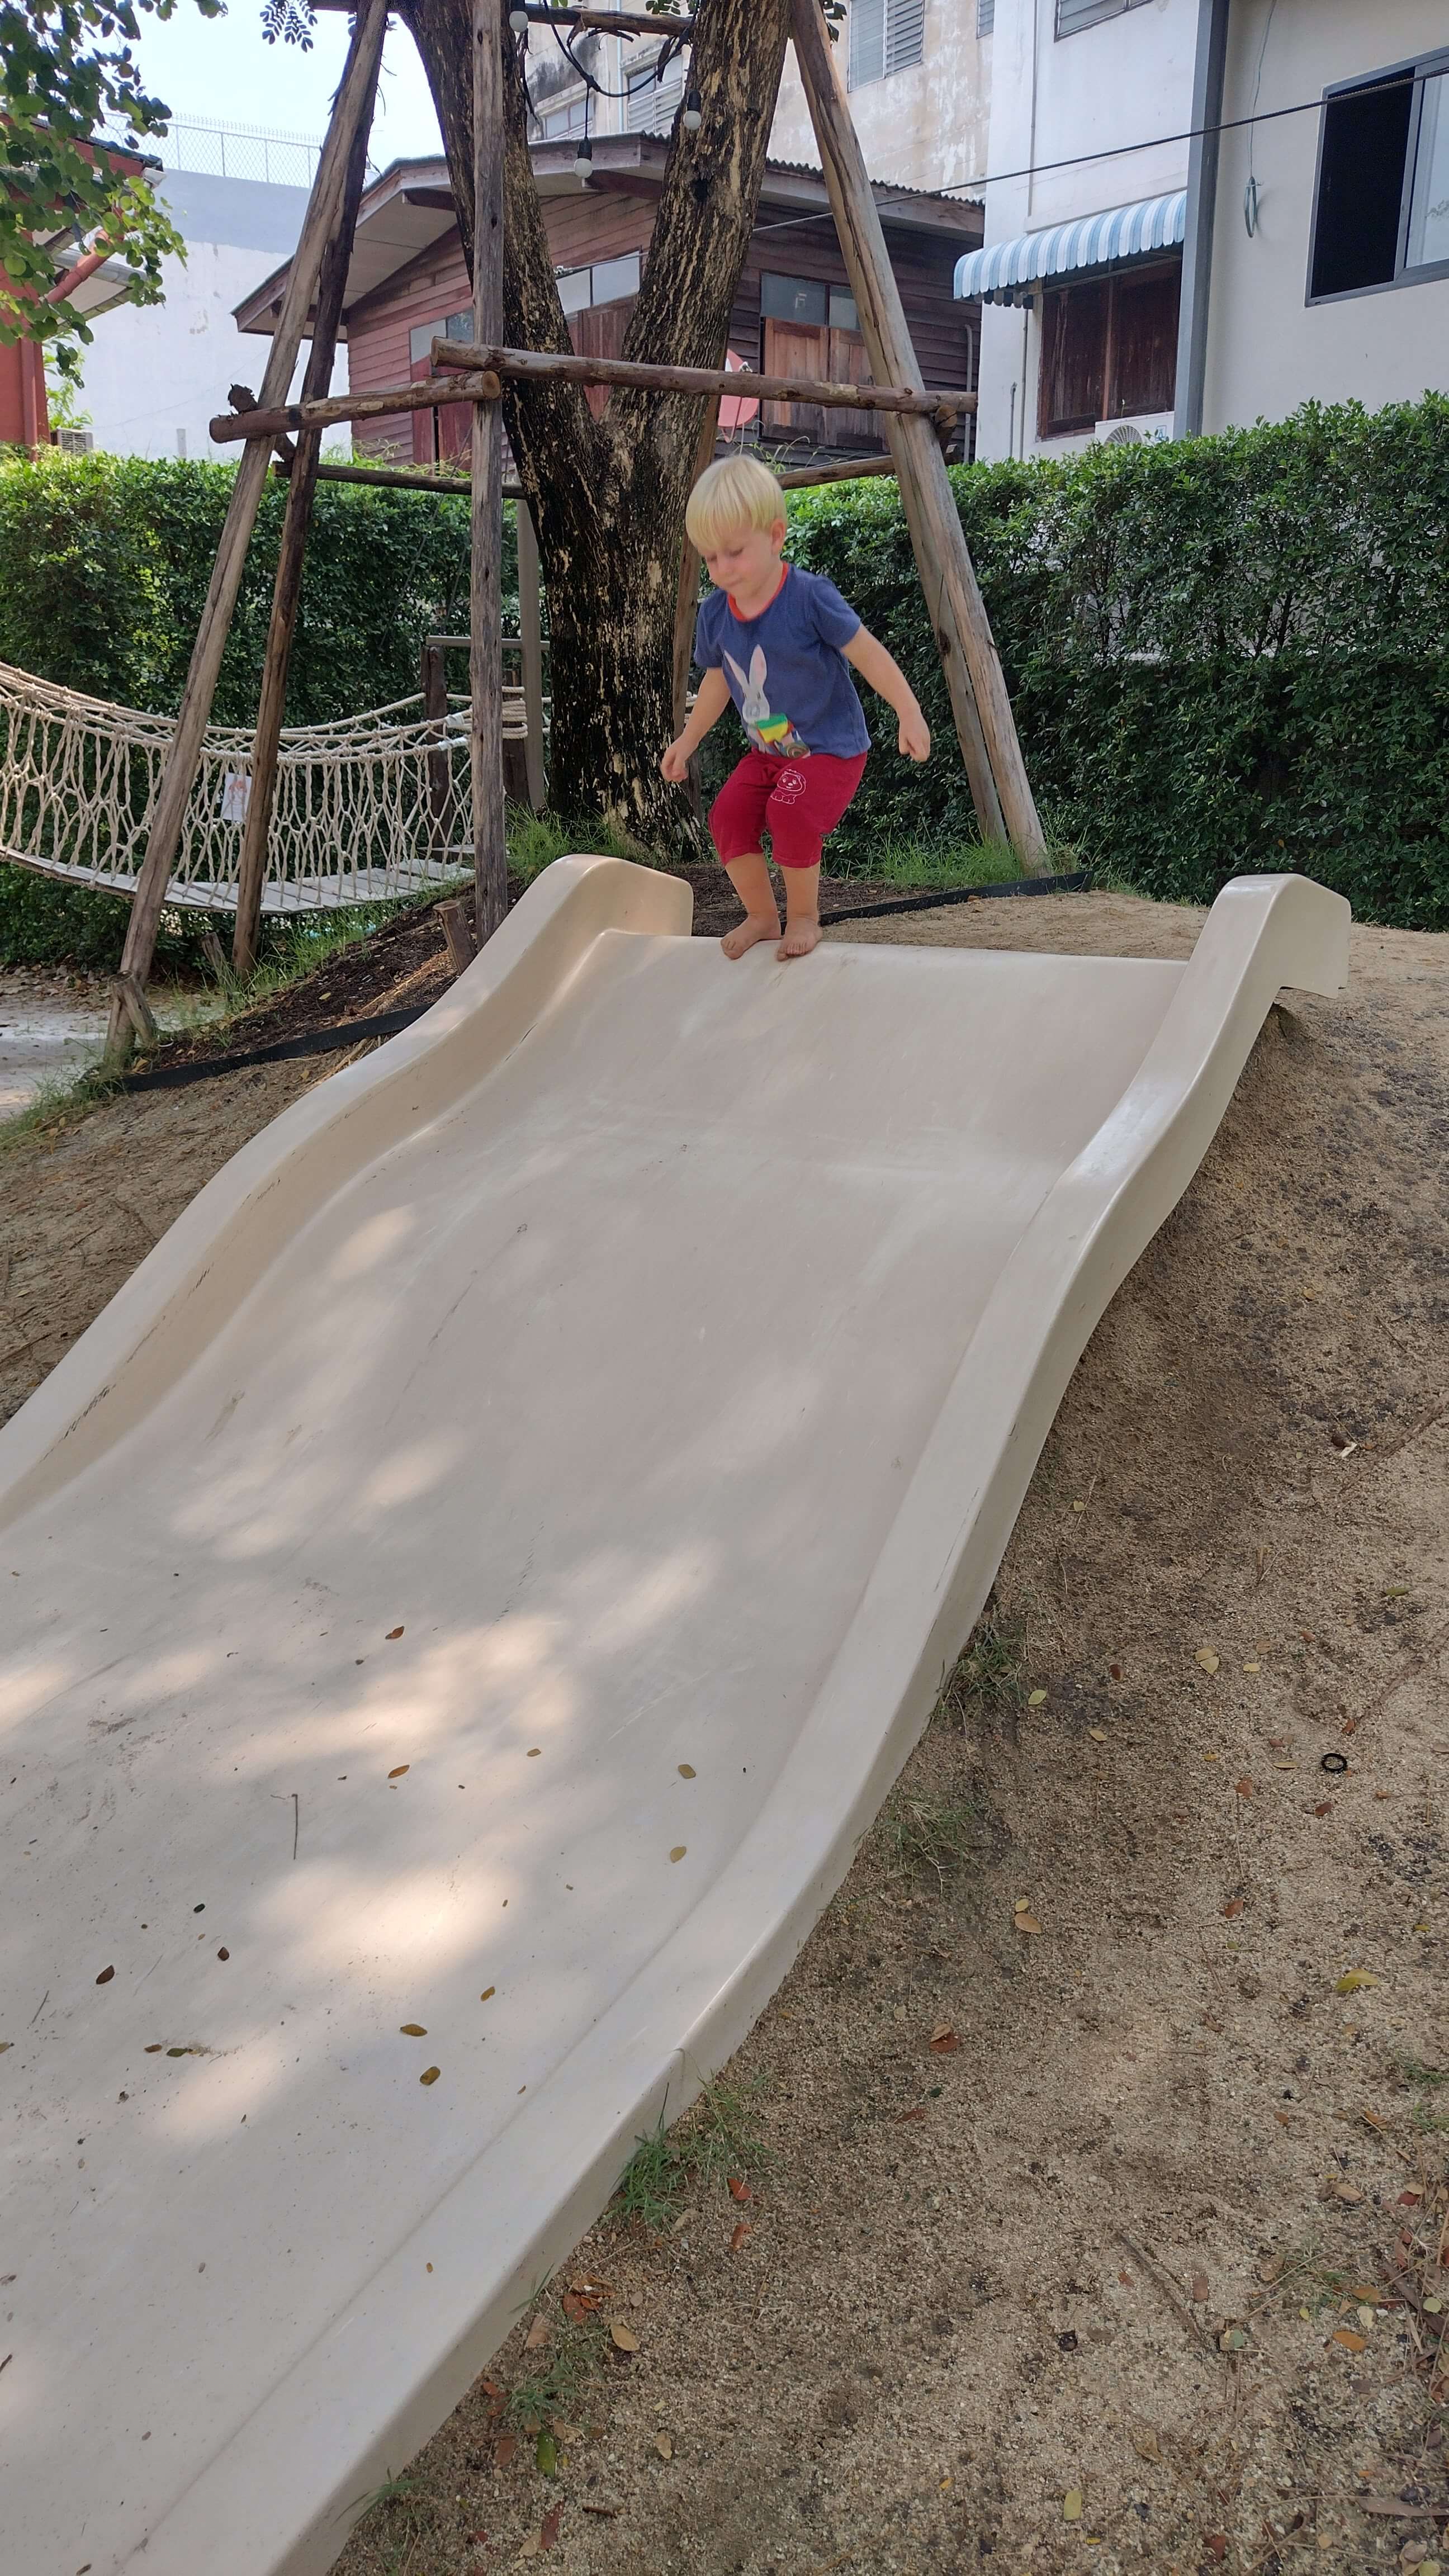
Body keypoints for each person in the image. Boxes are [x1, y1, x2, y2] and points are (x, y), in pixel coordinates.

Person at [660, 453, 931, 960]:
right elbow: (718, 682)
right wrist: (688, 739)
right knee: (728, 815)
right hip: (772, 751)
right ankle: (764, 916)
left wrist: (908, 711)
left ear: (776, 537)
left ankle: (805, 915)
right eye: (710, 558)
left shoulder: (809, 597)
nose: (722, 569)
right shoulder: (716, 614)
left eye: (734, 552)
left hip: (830, 751)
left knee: (790, 810)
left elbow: (867, 652)